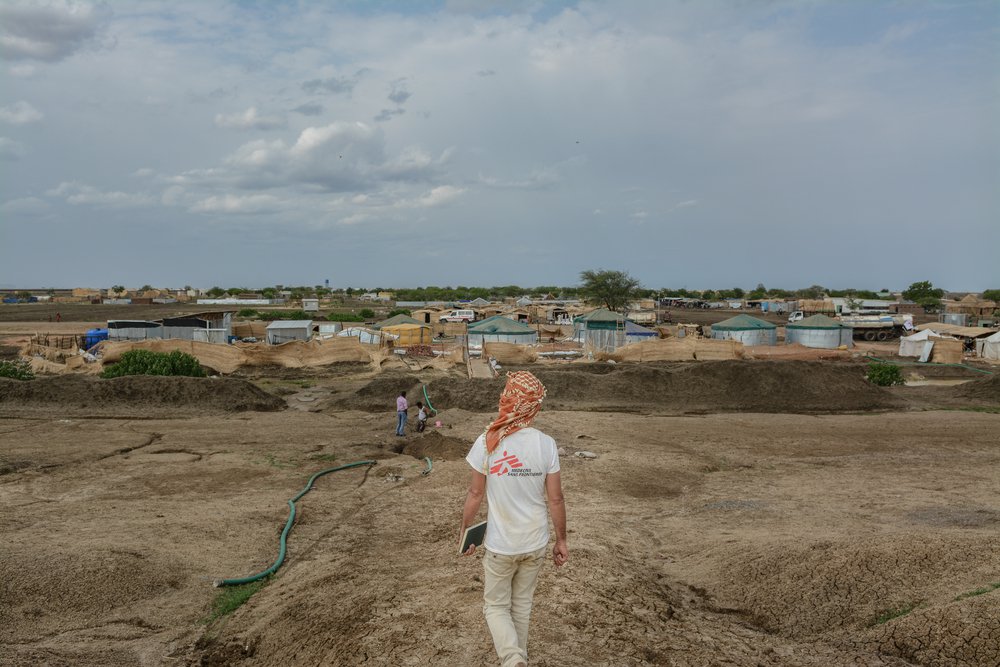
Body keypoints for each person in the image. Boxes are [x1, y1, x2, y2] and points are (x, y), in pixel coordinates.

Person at [460, 371, 568, 667]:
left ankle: (512, 659)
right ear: (534, 406)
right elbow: (556, 499)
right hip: (534, 542)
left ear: (506, 399)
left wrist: (465, 529)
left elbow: (475, 493)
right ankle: (519, 659)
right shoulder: (546, 444)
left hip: (501, 544)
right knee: (521, 606)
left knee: (495, 607)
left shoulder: (487, 442)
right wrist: (561, 540)